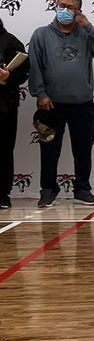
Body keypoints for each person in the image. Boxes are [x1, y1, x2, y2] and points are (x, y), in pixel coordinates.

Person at [29, 0, 94, 208]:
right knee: (48, 150)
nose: (64, 10)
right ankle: (48, 190)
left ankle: (82, 189)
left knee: (83, 149)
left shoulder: (86, 34)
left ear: (78, 11)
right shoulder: (41, 35)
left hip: (82, 104)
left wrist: (89, 27)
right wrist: (41, 94)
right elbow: (35, 66)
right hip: (50, 105)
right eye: (61, 5)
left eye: (70, 7)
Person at [0, 17, 29, 208]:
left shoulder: (9, 42)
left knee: (2, 150)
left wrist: (9, 76)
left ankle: (2, 194)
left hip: (4, 107)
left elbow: (24, 71)